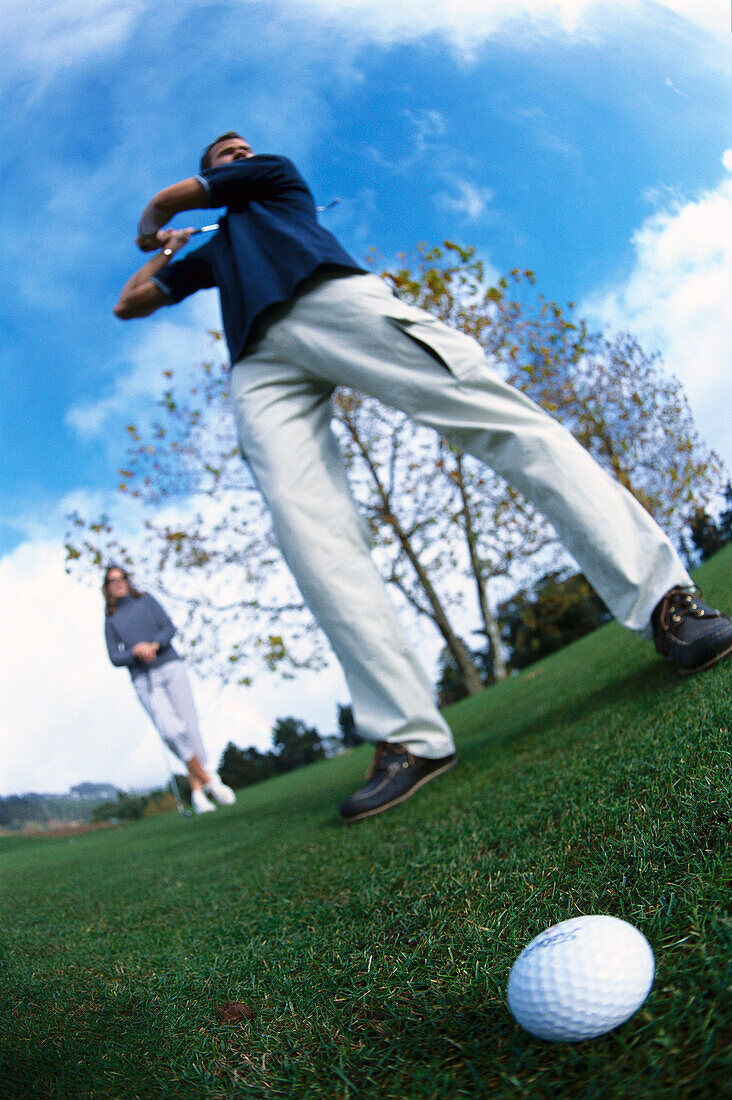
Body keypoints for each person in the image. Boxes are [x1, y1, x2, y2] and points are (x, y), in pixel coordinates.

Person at [113, 132, 732, 824]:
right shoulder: (218, 251)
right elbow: (130, 304)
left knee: (494, 416)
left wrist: (149, 221)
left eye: (242, 149)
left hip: (332, 298)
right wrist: (168, 253)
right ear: (210, 170)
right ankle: (409, 736)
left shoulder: (275, 181)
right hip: (259, 364)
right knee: (310, 537)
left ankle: (664, 603)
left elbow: (166, 199)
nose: (240, 152)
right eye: (226, 151)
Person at [103, 565, 236, 815]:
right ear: (107, 587)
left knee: (190, 725)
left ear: (127, 581)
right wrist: (135, 651)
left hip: (170, 666)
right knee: (171, 730)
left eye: (121, 578)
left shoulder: (146, 601)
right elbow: (114, 656)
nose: (118, 583)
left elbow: (169, 628)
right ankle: (210, 781)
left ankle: (198, 793)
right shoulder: (111, 620)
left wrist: (154, 644)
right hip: (143, 678)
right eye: (112, 581)